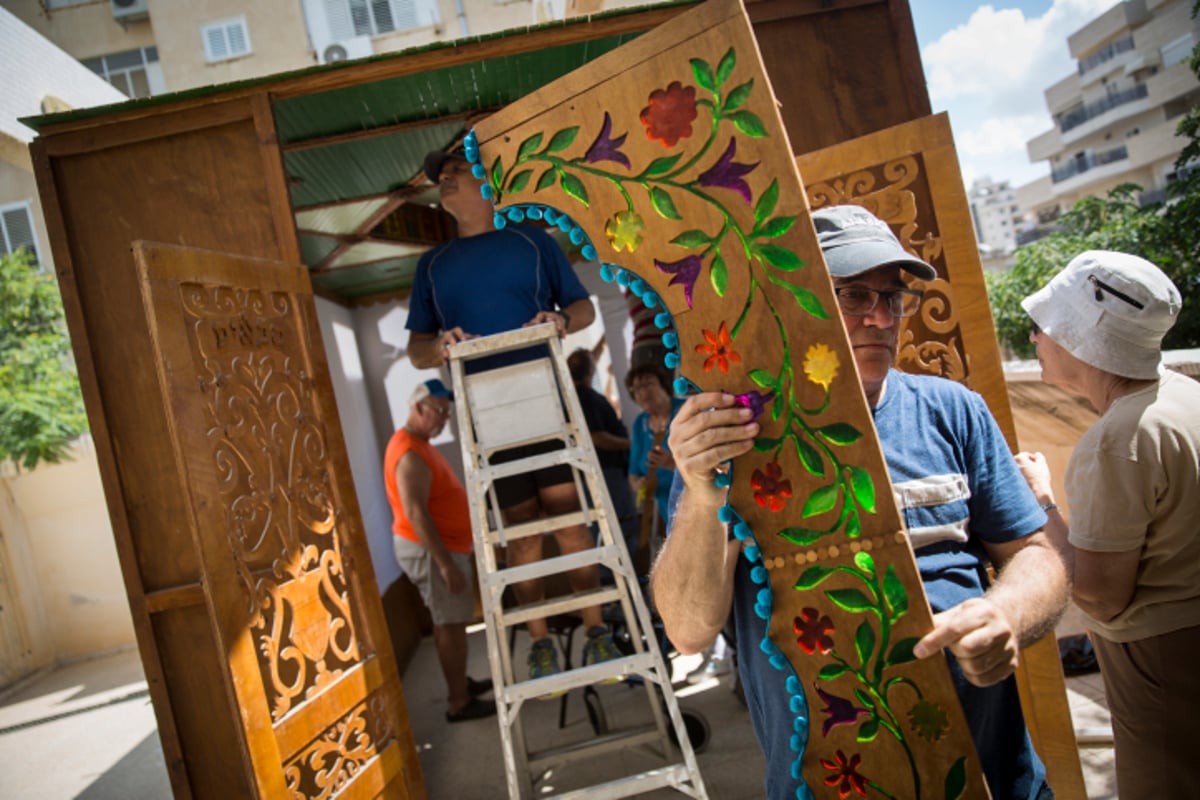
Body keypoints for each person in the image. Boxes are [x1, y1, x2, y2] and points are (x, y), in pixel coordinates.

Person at [651, 205, 1068, 799]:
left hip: (992, 778)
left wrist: (1007, 614)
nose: (879, 316)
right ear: (799, 302)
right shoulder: (735, 436)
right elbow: (689, 631)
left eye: (891, 297)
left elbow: (1041, 552)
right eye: (851, 295)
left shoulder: (952, 411)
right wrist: (699, 489)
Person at [405, 150, 620, 684]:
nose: (445, 181)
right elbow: (416, 349)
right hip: (488, 420)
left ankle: (596, 631)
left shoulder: (533, 241)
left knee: (571, 524)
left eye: (457, 172)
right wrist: (441, 345)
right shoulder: (430, 266)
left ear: (489, 185)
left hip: (548, 406)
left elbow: (585, 309)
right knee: (521, 536)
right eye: (441, 177)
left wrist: (561, 318)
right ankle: (541, 643)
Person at [1014, 250, 1200, 798]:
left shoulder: (1119, 441)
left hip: (1161, 667)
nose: (1034, 341)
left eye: (1043, 328)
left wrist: (1042, 502)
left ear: (1078, 340)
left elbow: (1099, 595)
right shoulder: (1183, 395)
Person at [385, 379, 495, 723]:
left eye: (447, 412)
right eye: (439, 411)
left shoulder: (419, 444)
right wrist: (446, 564)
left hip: (442, 548)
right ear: (418, 408)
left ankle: (459, 683)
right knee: (448, 624)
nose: (444, 419)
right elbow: (416, 513)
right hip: (432, 552)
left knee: (453, 621)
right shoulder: (408, 451)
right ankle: (458, 702)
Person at [567, 347, 639, 570]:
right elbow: (596, 437)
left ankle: (617, 580)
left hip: (596, 473)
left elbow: (588, 359)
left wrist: (602, 343)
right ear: (590, 371)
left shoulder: (572, 396)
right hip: (607, 474)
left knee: (605, 527)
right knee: (620, 524)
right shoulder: (587, 398)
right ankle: (624, 579)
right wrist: (633, 445)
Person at [625, 363, 683, 532]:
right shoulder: (640, 424)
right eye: (635, 389)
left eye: (647, 384)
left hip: (700, 501)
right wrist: (638, 485)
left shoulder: (685, 411)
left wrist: (672, 464)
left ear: (663, 384)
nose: (642, 392)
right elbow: (633, 473)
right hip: (669, 510)